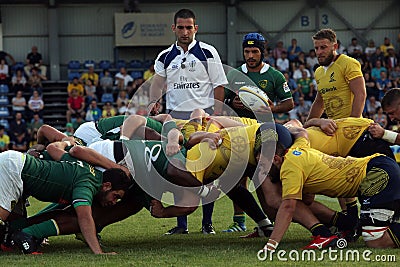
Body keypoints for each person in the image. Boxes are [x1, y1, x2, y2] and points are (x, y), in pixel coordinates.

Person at [259, 123, 400, 252]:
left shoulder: (289, 168)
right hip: (378, 165)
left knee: (376, 241)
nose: (262, 170)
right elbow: (301, 132)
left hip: (376, 173)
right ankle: (348, 224)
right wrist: (287, 128)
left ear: (276, 159)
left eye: (263, 165)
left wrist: (271, 244)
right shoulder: (297, 148)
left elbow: (288, 207)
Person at [149, 8, 228, 235]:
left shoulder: (208, 52)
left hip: (203, 118)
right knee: (178, 169)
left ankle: (207, 223)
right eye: (181, 27)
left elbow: (219, 85)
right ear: (174, 28)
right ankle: (181, 225)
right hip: (175, 119)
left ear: (196, 28)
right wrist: (154, 102)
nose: (185, 32)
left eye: (189, 27)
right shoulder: (165, 56)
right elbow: (157, 83)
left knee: (206, 169)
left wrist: (218, 115)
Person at [0, 141, 132, 254]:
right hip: (14, 170)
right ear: (107, 186)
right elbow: (85, 218)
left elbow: (52, 148)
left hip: (16, 162)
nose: (114, 202)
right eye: (115, 196)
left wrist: (67, 142)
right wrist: (98, 252)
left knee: (11, 225)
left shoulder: (86, 168)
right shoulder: (87, 184)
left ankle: (13, 235)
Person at [223, 32, 294, 232]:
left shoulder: (275, 76)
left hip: (264, 135)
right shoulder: (234, 75)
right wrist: (231, 102)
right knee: (236, 178)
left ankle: (270, 220)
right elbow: (219, 101)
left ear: (263, 52)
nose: (250, 55)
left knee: (265, 180)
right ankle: (239, 221)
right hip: (239, 133)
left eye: (255, 51)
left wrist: (272, 109)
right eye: (247, 51)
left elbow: (289, 103)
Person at [306, 28, 366, 213]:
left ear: (335, 46)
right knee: (339, 176)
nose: (319, 52)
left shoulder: (348, 63)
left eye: (323, 47)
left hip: (351, 131)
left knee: (357, 177)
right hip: (333, 130)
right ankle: (349, 218)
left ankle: (370, 217)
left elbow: (360, 94)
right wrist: (306, 125)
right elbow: (319, 101)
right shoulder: (319, 72)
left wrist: (353, 125)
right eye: (316, 48)